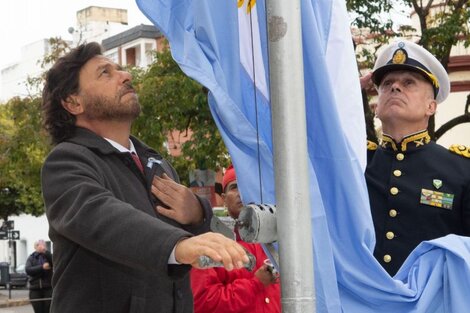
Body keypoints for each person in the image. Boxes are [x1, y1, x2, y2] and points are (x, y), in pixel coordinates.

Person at [40, 42, 249, 313]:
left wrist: (197, 213)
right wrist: (177, 244)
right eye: (105, 73)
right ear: (73, 102)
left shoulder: (156, 163)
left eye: (120, 69)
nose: (125, 76)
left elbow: (196, 253)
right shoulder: (66, 162)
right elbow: (98, 216)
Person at [365, 40, 470, 276]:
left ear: (431, 106)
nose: (395, 88)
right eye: (387, 84)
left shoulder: (461, 170)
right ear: (375, 107)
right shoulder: (356, 163)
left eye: (408, 83)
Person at [191, 165, 281, 313]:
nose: (242, 193)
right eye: (235, 187)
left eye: (247, 186)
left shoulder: (277, 241)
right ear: (224, 199)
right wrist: (256, 284)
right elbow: (204, 303)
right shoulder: (211, 244)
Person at [25, 240, 53, 313]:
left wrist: (46, 252)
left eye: (43, 245)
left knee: (48, 310)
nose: (41, 247)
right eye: (39, 245)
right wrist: (42, 267)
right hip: (35, 289)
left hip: (48, 288)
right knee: (38, 310)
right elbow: (28, 270)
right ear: (35, 247)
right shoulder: (31, 258)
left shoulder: (48, 256)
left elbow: (54, 262)